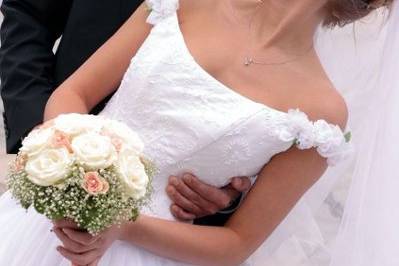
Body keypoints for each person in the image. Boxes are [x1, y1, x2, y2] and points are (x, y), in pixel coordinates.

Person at [0, 0, 391, 265]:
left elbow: (236, 244)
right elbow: (76, 91)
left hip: (151, 249)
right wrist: (66, 163)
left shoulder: (321, 113)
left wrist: (121, 225)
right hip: (45, 219)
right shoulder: (185, 4)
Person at [0, 0, 250, 225]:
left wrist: (235, 189)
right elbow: (28, 14)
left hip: (181, 217)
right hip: (62, 169)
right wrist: (46, 135)